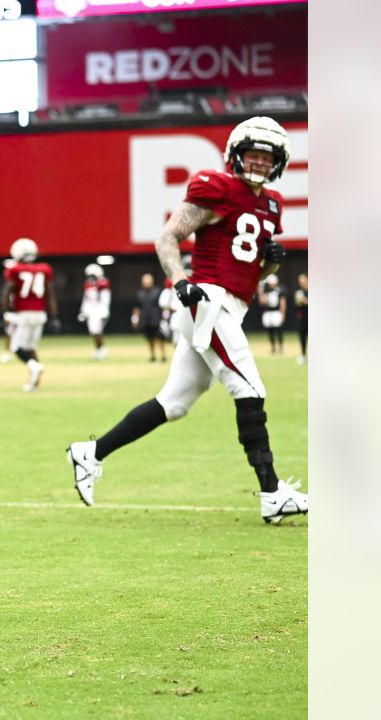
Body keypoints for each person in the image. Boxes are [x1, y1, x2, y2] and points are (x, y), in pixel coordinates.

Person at [66, 116, 308, 523]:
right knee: (249, 387)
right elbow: (168, 237)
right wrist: (180, 281)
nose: (260, 163)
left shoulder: (271, 203)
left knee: (174, 403)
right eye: (253, 153)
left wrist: (269, 266)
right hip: (207, 300)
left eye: (268, 157)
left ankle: (90, 452)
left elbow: (250, 272)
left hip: (231, 305)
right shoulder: (216, 187)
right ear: (236, 154)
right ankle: (271, 493)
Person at [2, 238, 58, 392]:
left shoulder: (15, 269)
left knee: (17, 348)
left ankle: (35, 366)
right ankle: (35, 383)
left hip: (23, 313)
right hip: (40, 313)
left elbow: (8, 291)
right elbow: (50, 294)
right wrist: (54, 316)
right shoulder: (44, 269)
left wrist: (5, 311)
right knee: (31, 348)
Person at [79, 263, 112, 361]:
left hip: (99, 311)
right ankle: (99, 350)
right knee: (93, 332)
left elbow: (105, 300)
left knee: (97, 331)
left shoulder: (103, 283)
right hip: (91, 312)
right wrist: (83, 311)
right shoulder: (88, 285)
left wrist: (104, 312)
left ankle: (101, 350)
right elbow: (86, 299)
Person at [131, 273, 167, 363]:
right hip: (145, 319)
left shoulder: (158, 291)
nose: (146, 282)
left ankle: (163, 355)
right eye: (144, 281)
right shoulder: (140, 293)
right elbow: (137, 307)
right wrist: (135, 319)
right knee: (149, 338)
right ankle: (153, 356)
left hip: (157, 318)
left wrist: (165, 317)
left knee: (160, 337)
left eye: (148, 280)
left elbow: (163, 306)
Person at [258, 274, 287, 355]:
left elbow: (282, 303)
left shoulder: (280, 290)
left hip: (276, 312)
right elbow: (262, 302)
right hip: (268, 312)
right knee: (270, 330)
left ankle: (280, 347)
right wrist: (261, 292)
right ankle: (273, 347)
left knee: (278, 330)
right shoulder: (266, 290)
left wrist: (283, 314)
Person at [294, 273, 308, 365]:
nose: (301, 282)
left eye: (303, 280)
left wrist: (305, 301)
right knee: (302, 337)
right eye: (300, 281)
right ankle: (303, 356)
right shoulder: (298, 293)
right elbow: (298, 303)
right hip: (303, 319)